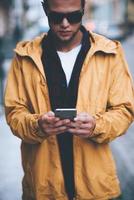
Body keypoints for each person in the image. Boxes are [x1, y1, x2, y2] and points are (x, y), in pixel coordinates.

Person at [4, 0, 134, 199]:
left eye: (73, 16)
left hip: (96, 188)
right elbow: (14, 113)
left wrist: (96, 126)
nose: (65, 24)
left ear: (83, 11)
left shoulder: (110, 53)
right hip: (43, 188)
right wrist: (37, 125)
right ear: (45, 9)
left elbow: (125, 110)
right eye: (56, 17)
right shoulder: (24, 57)